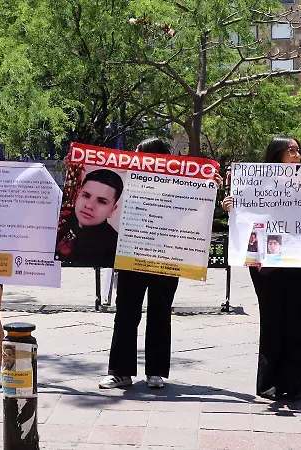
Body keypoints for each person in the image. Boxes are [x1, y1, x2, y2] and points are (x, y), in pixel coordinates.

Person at [221, 136, 301, 401]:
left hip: (297, 261)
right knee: (271, 320)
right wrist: (231, 209)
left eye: (299, 150)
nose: (297, 154)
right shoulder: (255, 183)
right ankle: (269, 383)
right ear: (277, 154)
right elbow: (245, 217)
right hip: (265, 264)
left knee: (295, 319)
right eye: (292, 150)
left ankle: (293, 383)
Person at [99, 138, 182, 390]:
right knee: (126, 312)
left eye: (139, 152)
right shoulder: (127, 180)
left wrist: (209, 185)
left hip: (165, 257)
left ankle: (155, 371)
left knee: (159, 312)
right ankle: (120, 372)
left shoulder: (178, 185)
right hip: (132, 254)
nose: (134, 156)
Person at [55, 169, 122, 268]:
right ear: (78, 195)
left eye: (102, 201)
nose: (89, 206)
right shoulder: (63, 221)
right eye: (86, 196)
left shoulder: (113, 246)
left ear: (112, 209)